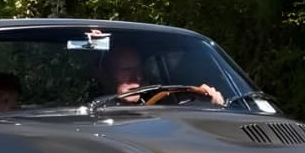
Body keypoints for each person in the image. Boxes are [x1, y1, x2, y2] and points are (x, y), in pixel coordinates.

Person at [96, 40, 224, 106]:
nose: (138, 77)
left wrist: (209, 101)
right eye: (126, 70)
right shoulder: (86, 115)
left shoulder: (164, 102)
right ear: (104, 75)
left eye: (139, 69)